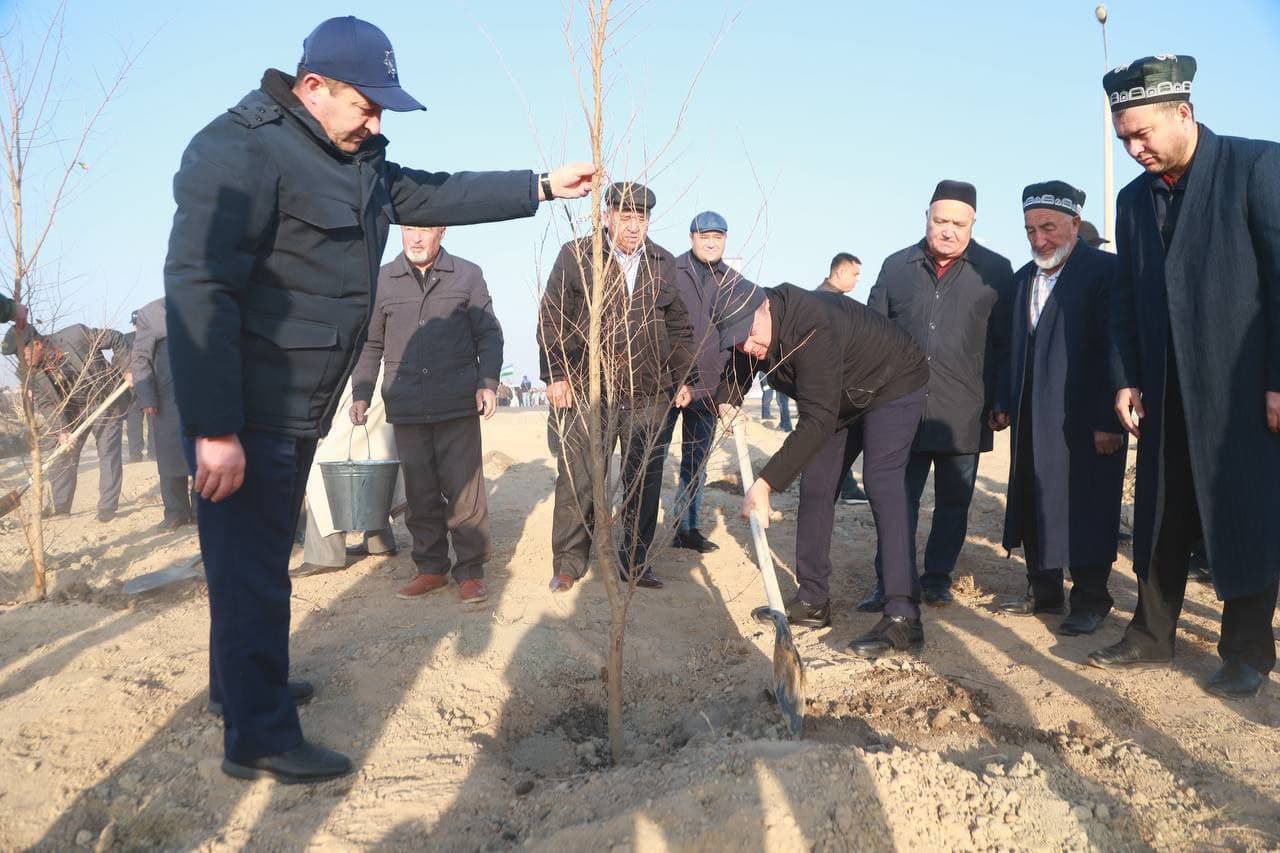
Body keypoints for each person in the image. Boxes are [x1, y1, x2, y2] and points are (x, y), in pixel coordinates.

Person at [164, 15, 593, 784]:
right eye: (367, 104)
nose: (376, 121)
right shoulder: (239, 149)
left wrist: (539, 186)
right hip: (250, 404)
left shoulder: (354, 157)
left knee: (255, 562)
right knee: (250, 567)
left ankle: (240, 688)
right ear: (313, 88)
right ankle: (258, 737)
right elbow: (200, 288)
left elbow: (439, 192)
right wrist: (215, 426)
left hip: (299, 404)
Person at [1089, 55, 1280, 699]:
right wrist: (1124, 377)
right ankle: (1150, 633)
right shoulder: (1131, 200)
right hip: (1163, 387)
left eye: (1143, 134)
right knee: (1161, 509)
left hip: (1243, 387)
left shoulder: (1255, 167)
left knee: (1245, 512)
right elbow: (1124, 295)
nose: (1135, 148)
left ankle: (1248, 650)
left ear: (1183, 112)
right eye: (1124, 140)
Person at [713, 281, 930, 657]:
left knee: (881, 483)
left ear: (766, 307)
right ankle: (813, 600)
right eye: (737, 339)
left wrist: (764, 484)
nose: (749, 345)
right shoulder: (753, 328)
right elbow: (743, 360)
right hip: (841, 394)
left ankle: (903, 617)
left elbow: (816, 421)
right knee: (816, 483)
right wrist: (729, 399)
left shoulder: (809, 326)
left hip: (893, 381)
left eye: (750, 333)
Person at [860, 180, 1013, 610]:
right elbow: (872, 333)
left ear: (973, 223)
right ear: (926, 217)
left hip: (964, 413)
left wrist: (1001, 400)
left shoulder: (996, 272)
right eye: (940, 220)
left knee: (953, 503)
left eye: (958, 223)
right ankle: (891, 581)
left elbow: (1006, 343)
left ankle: (937, 578)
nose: (948, 230)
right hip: (899, 411)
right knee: (896, 503)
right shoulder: (896, 267)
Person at [538, 181, 695, 592]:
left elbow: (678, 326)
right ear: (606, 216)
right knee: (580, 477)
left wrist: (684, 379)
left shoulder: (663, 262)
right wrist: (556, 374)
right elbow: (551, 316)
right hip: (588, 391)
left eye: (640, 218)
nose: (632, 226)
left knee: (642, 479)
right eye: (625, 217)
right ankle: (569, 563)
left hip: (648, 393)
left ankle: (635, 561)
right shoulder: (577, 256)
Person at [992, 182, 1127, 636]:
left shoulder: (1107, 272)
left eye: (1048, 227)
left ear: (1074, 223)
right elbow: (1010, 349)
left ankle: (1091, 598)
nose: (1038, 240)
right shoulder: (1022, 279)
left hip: (1088, 420)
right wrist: (1003, 401)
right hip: (1033, 415)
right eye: (1030, 230)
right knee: (1035, 498)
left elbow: (1116, 349)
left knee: (1087, 504)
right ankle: (1043, 588)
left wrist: (1109, 420)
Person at [351, 225, 501, 605]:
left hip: (456, 402)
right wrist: (362, 393)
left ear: (441, 232)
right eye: (409, 230)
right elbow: (370, 343)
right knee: (419, 492)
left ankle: (469, 572)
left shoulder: (467, 275)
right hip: (407, 405)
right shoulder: (383, 279)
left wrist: (487, 382)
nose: (416, 239)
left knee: (466, 493)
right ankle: (431, 569)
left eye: (425, 231)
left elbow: (489, 334)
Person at [662, 210, 751, 554]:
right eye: (704, 236)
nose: (711, 242)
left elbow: (738, 339)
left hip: (709, 388)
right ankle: (637, 529)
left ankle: (687, 528)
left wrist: (730, 391)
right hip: (668, 383)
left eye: (717, 237)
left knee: (695, 463)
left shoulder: (733, 282)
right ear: (692, 238)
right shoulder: (670, 270)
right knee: (650, 459)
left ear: (725, 240)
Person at [2, 324, 128, 521]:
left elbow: (117, 338)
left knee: (108, 451)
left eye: (23, 354)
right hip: (71, 410)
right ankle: (61, 507)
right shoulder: (27, 371)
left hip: (104, 399)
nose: (22, 360)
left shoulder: (76, 335)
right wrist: (62, 431)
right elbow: (45, 402)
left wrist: (126, 368)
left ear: (37, 344)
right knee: (61, 455)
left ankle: (107, 508)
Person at [293, 368, 402, 578]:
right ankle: (378, 539)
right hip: (374, 375)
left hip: (359, 382)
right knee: (375, 456)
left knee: (322, 467)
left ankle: (324, 554)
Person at [129, 298, 196, 531]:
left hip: (202, 392)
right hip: (167, 397)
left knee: (203, 451)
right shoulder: (151, 313)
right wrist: (147, 397)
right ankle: (176, 512)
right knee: (169, 454)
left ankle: (202, 511)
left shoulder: (205, 302)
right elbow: (140, 359)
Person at [817, 252, 870, 505]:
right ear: (839, 272)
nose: (858, 280)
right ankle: (844, 486)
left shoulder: (826, 298)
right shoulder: (828, 302)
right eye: (855, 274)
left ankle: (843, 485)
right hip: (829, 384)